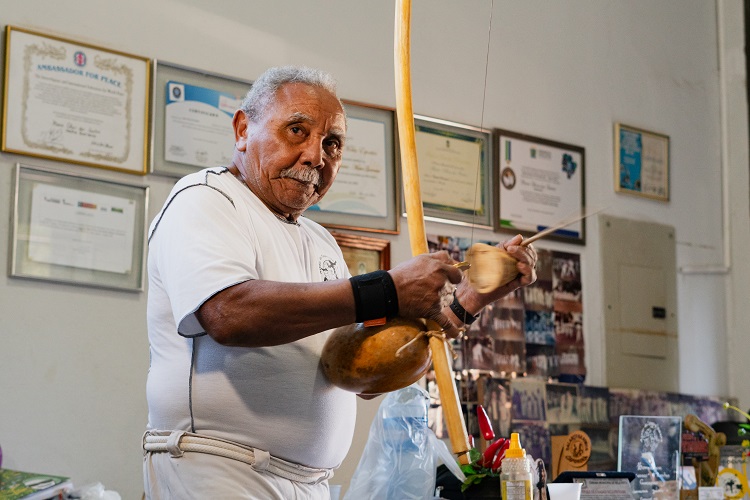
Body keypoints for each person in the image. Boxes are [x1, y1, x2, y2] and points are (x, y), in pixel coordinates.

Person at [142, 65, 538, 499]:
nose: (316, 156)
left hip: (311, 485)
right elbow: (227, 313)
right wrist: (387, 289)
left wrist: (469, 300)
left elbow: (361, 373)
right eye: (297, 130)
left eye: (332, 143)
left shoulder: (320, 240)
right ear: (242, 129)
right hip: (219, 472)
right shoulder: (206, 198)